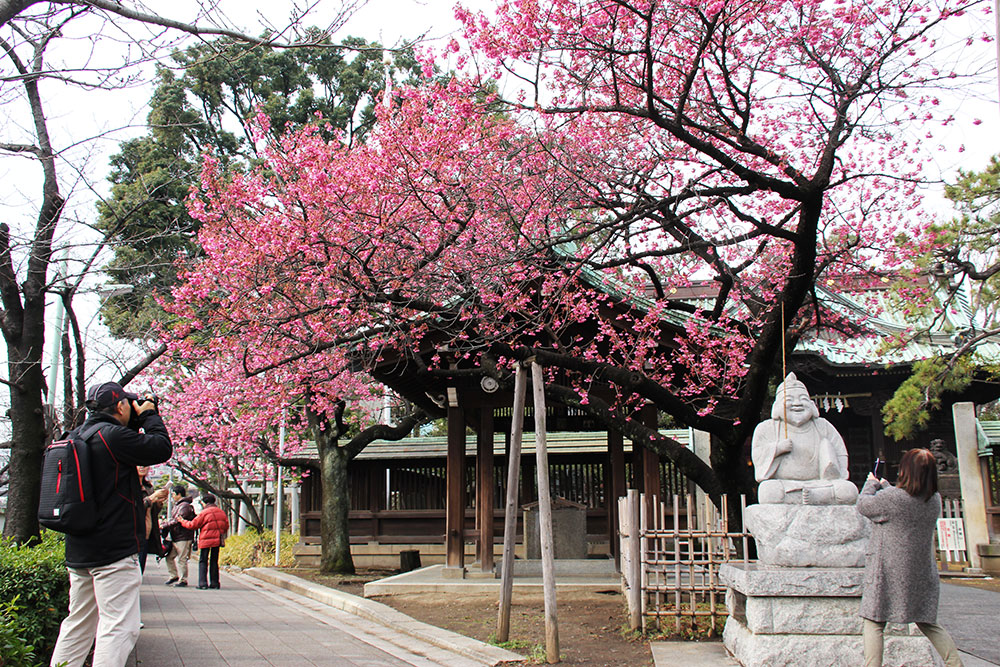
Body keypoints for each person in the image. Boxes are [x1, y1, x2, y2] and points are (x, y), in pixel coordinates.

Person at [49, 381, 172, 667]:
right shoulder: (113, 437)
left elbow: (121, 447)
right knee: (119, 626)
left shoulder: (78, 434)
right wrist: (151, 416)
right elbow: (160, 448)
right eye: (129, 404)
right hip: (113, 551)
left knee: (78, 624)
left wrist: (135, 419)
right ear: (119, 406)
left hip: (80, 550)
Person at [856, 448, 963, 667]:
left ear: (906, 470)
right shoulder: (934, 499)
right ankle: (955, 663)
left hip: (888, 570)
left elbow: (864, 505)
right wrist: (886, 487)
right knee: (928, 622)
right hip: (920, 571)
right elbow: (906, 499)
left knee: (874, 621)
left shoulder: (893, 499)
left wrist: (872, 483)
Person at [751, 372, 858, 504]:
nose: (797, 404)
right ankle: (809, 497)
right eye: (789, 400)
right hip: (786, 485)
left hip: (821, 485)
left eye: (803, 399)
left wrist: (833, 469)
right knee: (768, 491)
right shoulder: (767, 428)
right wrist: (777, 449)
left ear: (811, 404)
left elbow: (841, 452)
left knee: (848, 490)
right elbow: (757, 454)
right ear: (778, 406)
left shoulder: (822, 426)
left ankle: (817, 496)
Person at [179, 492, 229, 590]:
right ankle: (214, 583)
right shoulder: (221, 512)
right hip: (217, 540)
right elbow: (226, 526)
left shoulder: (204, 513)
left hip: (205, 540)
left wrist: (182, 521)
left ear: (204, 503)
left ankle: (203, 583)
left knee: (203, 561)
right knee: (214, 561)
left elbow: (193, 525)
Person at [159, 484, 196, 587]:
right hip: (176, 536)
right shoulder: (178, 505)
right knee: (169, 557)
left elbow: (178, 520)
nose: (173, 496)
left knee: (182, 559)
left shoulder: (184, 506)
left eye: (174, 494)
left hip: (183, 537)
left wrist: (165, 525)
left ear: (179, 494)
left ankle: (183, 579)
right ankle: (174, 575)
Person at [136, 466, 168, 574]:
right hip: (133, 533)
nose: (142, 467)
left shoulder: (148, 487)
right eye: (139, 465)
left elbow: (152, 512)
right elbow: (133, 508)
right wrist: (151, 499)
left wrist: (158, 502)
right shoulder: (128, 485)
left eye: (145, 465)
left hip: (147, 532)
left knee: (140, 570)